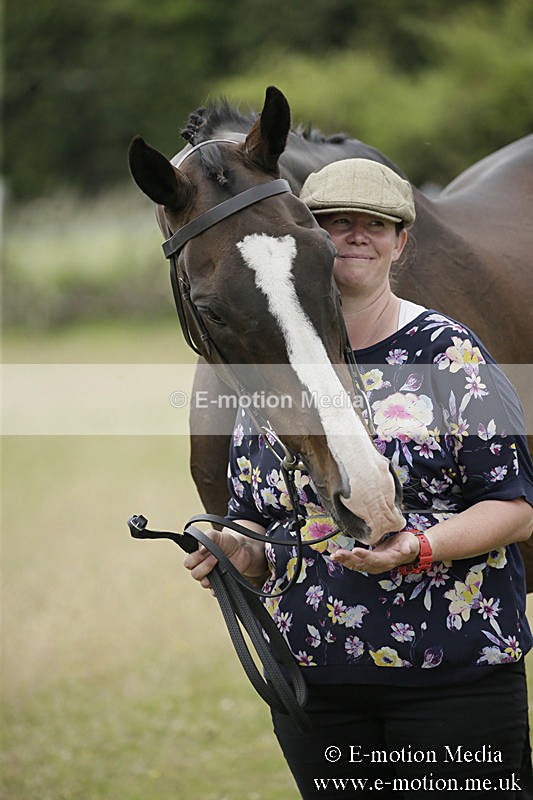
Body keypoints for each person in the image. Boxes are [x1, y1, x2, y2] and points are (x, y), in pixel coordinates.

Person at [184, 158, 533, 799]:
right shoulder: (270, 369)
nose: (354, 236)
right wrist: (237, 550)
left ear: (401, 243)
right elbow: (260, 518)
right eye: (335, 223)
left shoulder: (448, 354)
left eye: (375, 224)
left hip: (451, 679)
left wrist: (418, 547)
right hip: (317, 681)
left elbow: (514, 508)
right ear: (304, 242)